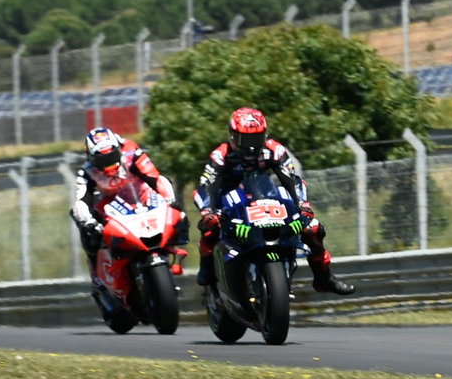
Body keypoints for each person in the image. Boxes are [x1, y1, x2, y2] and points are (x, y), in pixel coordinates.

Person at [194, 106, 355, 295]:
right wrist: (208, 211)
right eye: (246, 140)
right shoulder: (220, 155)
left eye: (256, 138)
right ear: (233, 136)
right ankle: (207, 268)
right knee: (210, 228)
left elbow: (292, 179)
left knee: (313, 228)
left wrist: (303, 205)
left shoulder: (275, 150)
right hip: (227, 202)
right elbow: (206, 185)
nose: (252, 146)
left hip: (263, 197)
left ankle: (324, 278)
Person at [69, 128, 184, 281]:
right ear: (90, 158)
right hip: (111, 205)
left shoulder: (131, 151)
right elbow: (81, 201)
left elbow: (155, 178)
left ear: (118, 148)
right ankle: (97, 273)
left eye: (111, 156)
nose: (109, 164)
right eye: (102, 160)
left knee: (178, 214)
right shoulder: (87, 172)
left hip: (141, 196)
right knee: (87, 229)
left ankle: (174, 247)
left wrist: (170, 199)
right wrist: (88, 222)